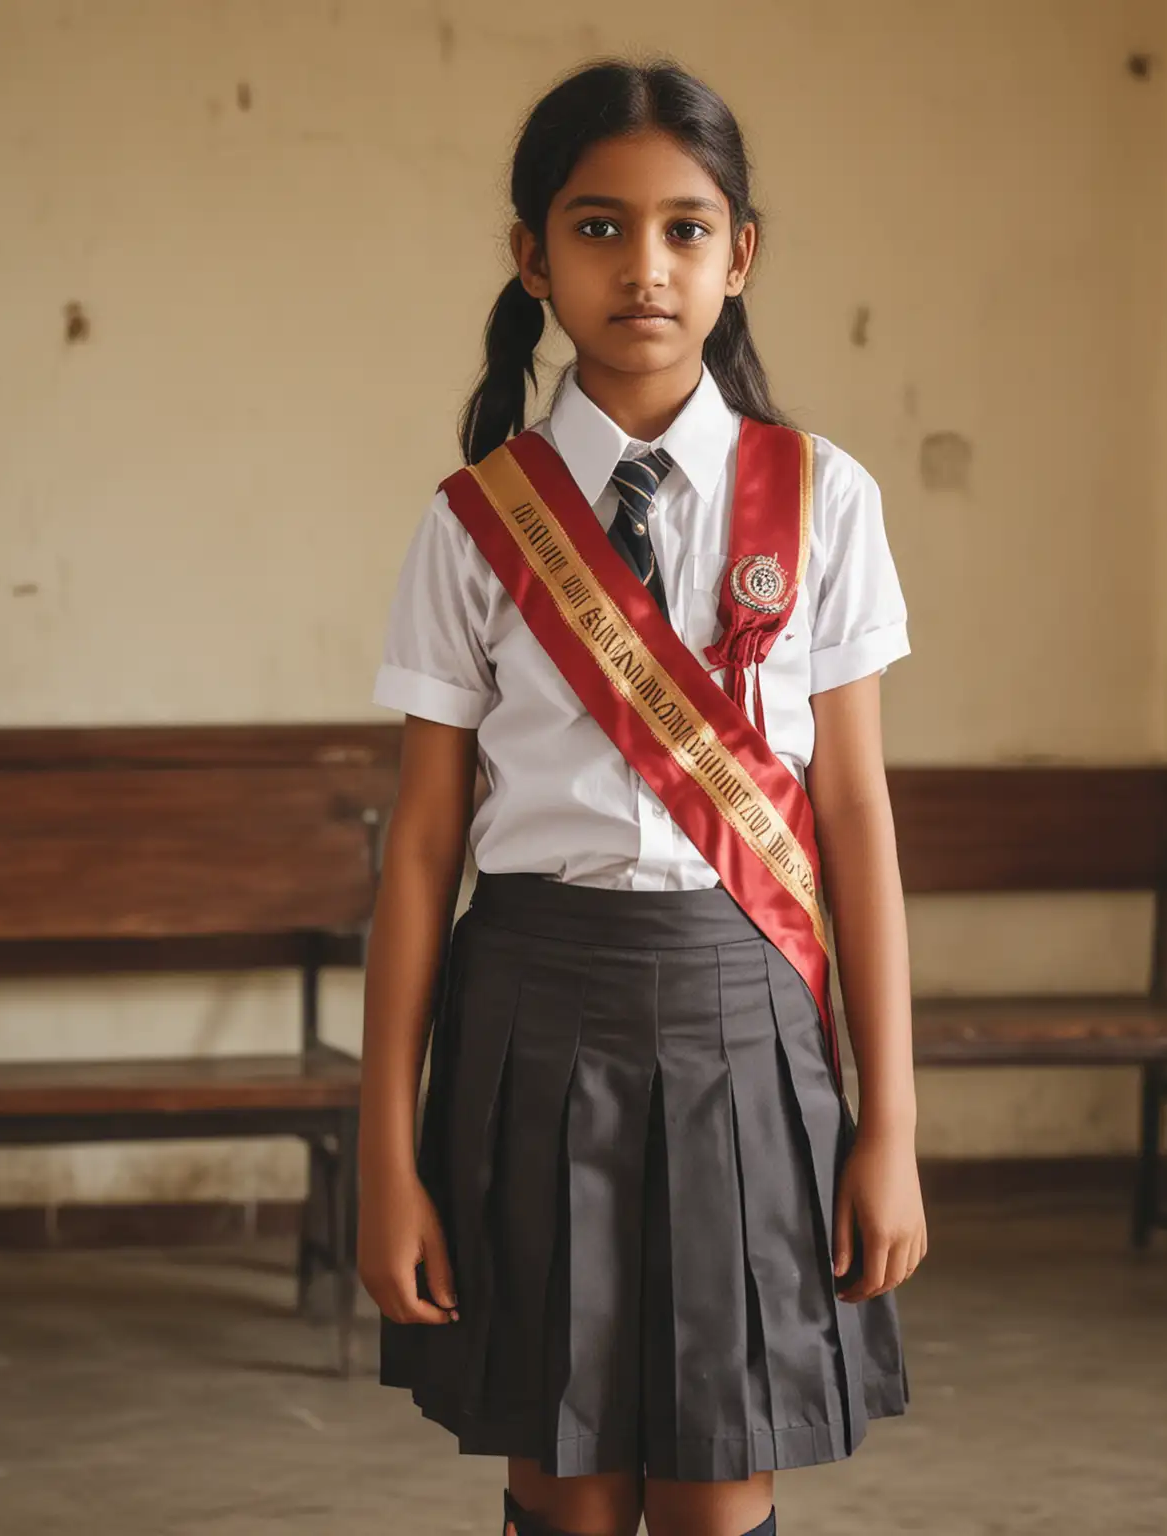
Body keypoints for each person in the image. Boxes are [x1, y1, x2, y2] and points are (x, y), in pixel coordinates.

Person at [359, 58, 925, 1536]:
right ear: (531, 257)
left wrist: (892, 1127)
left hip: (748, 1022)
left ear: (739, 257)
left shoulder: (821, 501)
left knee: (719, 1480)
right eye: (598, 229)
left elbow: (854, 818)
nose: (645, 268)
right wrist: (382, 1156)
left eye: (686, 229)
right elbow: (422, 852)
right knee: (564, 1483)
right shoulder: (478, 520)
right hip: (531, 1023)